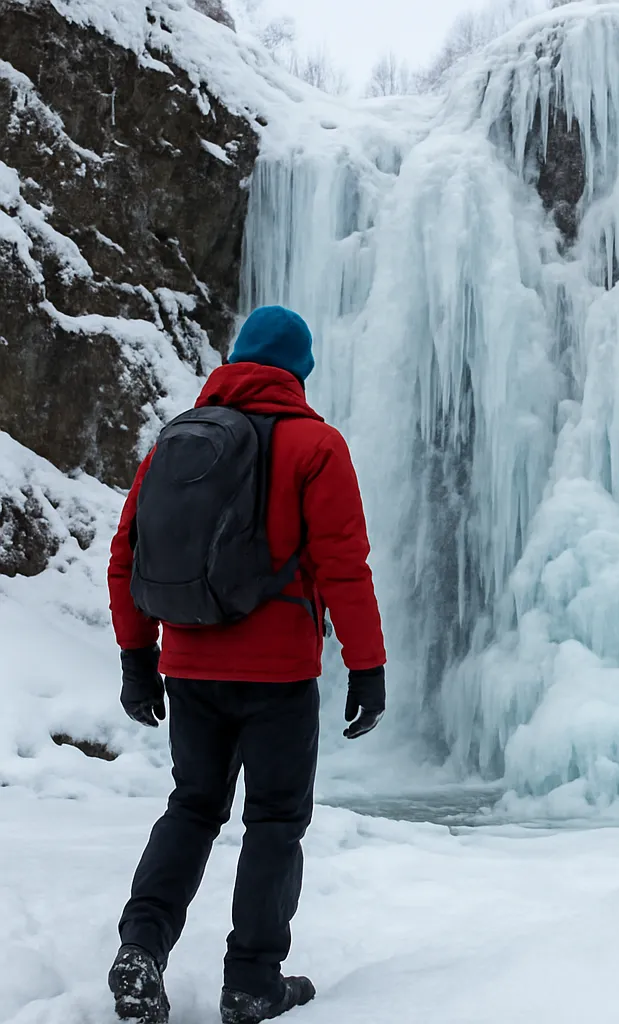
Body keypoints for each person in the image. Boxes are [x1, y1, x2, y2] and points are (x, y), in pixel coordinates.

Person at [105, 306, 387, 1024]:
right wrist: (366, 666)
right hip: (280, 676)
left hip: (189, 665)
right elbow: (343, 568)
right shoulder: (314, 445)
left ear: (236, 361)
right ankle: (253, 981)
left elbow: (126, 557)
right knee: (273, 821)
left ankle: (140, 949)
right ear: (298, 369)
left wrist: (139, 659)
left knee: (193, 807)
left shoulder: (174, 442)